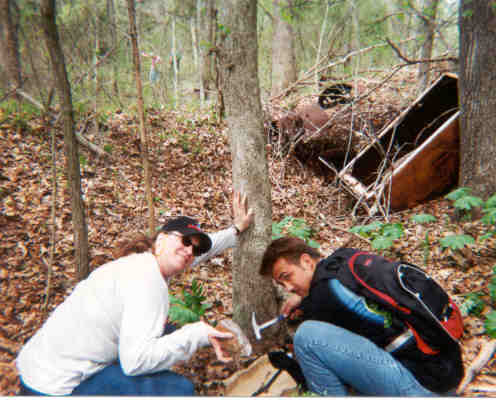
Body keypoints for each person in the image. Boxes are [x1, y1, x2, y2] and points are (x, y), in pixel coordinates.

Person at [17, 192, 254, 396]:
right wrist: (198, 334)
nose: (189, 251)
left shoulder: (144, 263)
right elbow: (135, 362)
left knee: (167, 331)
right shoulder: (146, 281)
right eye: (184, 241)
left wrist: (236, 230)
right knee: (179, 390)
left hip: (38, 368)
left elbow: (197, 252)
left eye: (195, 247)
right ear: (160, 240)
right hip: (55, 387)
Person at [259, 237, 464, 396]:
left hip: (420, 386)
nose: (288, 288)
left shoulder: (321, 299)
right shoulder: (342, 259)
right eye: (281, 284)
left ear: (306, 261)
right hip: (447, 371)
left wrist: (291, 364)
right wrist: (303, 299)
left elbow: (319, 366)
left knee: (306, 337)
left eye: (287, 276)